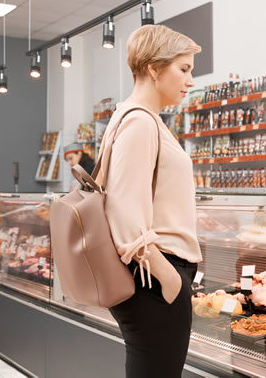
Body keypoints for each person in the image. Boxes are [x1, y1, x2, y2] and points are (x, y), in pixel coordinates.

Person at [94, 25, 202, 378]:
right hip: (153, 278)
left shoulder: (137, 118)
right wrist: (169, 279)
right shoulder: (141, 122)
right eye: (183, 69)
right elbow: (123, 211)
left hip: (151, 277)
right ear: (154, 68)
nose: (190, 79)